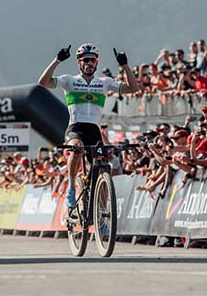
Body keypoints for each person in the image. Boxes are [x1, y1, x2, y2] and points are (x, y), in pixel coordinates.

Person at [38, 43, 139, 208]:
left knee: (103, 168)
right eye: (86, 60)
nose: (89, 63)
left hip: (94, 131)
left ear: (96, 62)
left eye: (92, 60)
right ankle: (71, 188)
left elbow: (133, 89)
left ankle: (102, 209)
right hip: (75, 129)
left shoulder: (104, 82)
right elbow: (43, 82)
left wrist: (125, 66)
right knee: (76, 150)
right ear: (79, 62)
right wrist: (57, 60)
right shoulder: (69, 80)